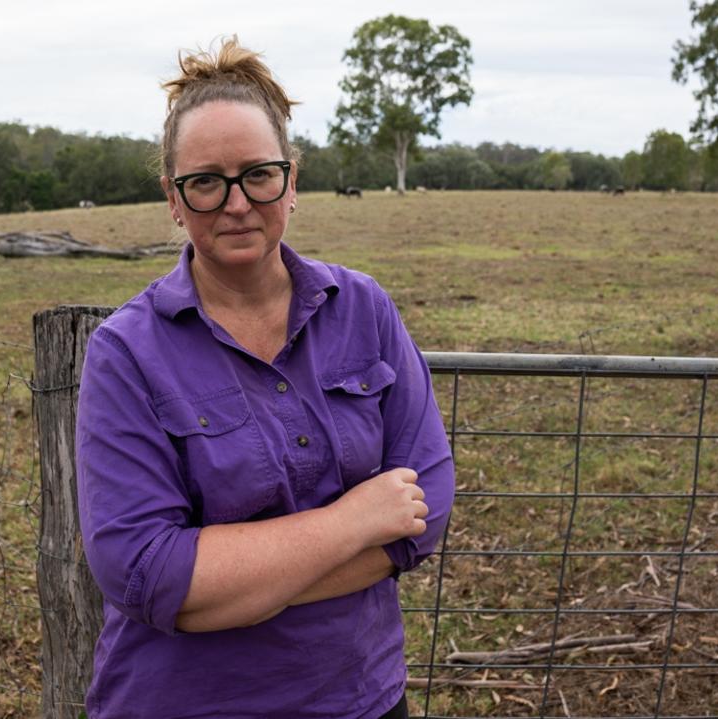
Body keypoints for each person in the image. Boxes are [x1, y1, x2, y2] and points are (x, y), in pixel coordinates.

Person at [74, 37, 455, 719]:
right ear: (172, 197)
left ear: (291, 178)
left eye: (258, 174)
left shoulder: (362, 307)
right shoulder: (125, 352)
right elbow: (143, 571)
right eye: (205, 181)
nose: (236, 202)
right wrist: (351, 522)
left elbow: (424, 511)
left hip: (361, 699)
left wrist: (225, 593)